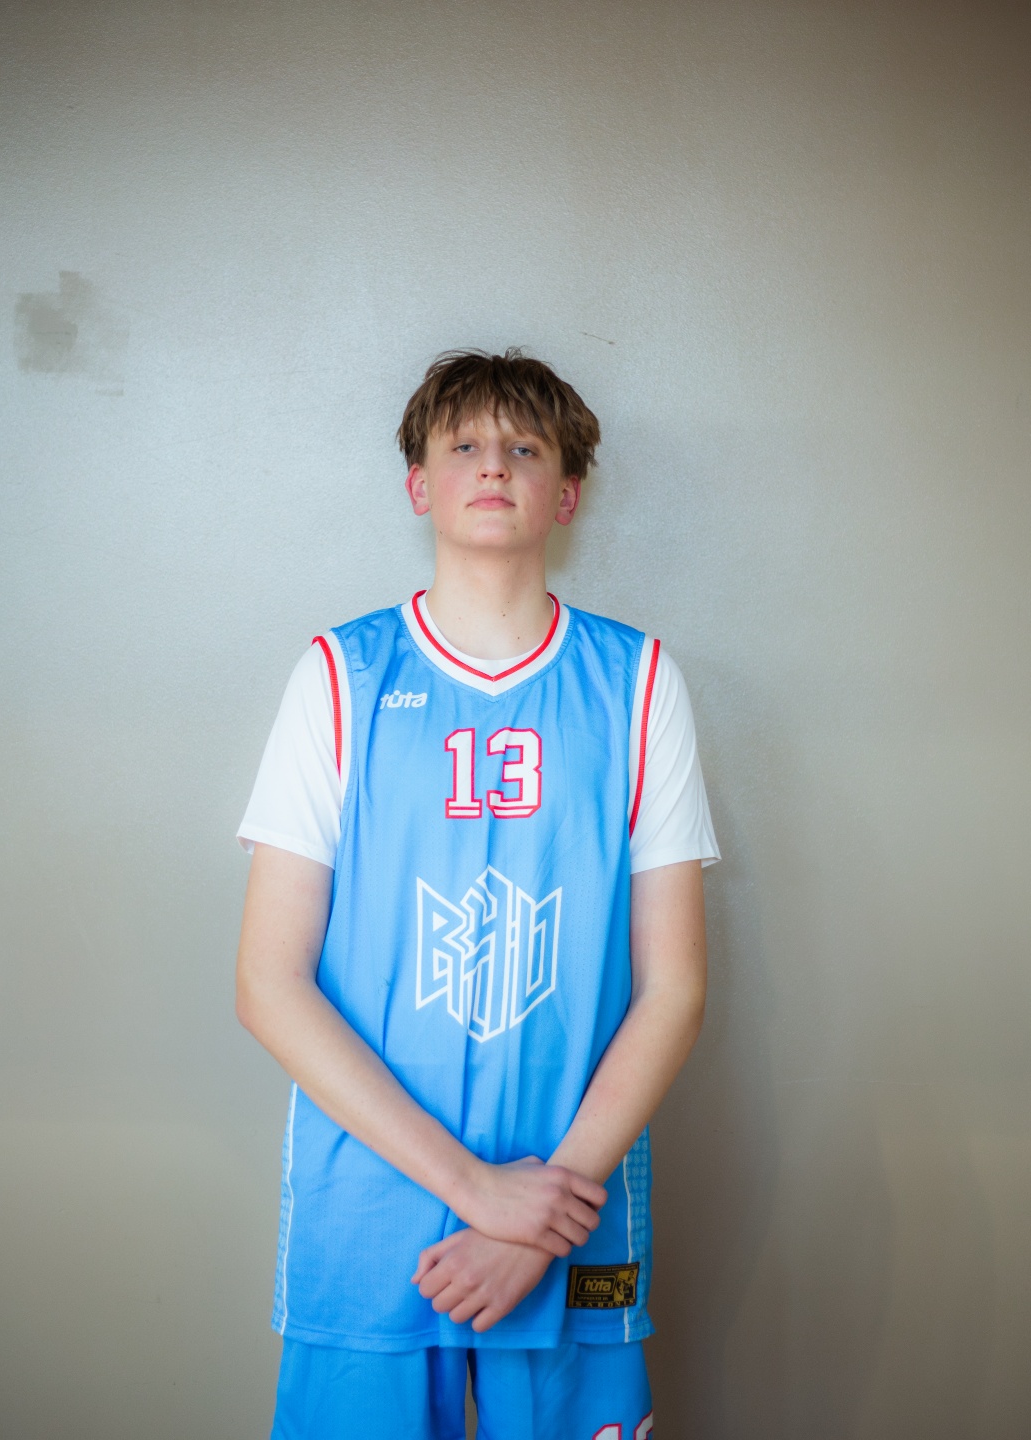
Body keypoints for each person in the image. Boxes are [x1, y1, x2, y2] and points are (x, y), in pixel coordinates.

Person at [235, 349, 720, 1439]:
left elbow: (674, 991)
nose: (493, 465)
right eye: (464, 445)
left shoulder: (639, 682)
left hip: (571, 1208)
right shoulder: (340, 675)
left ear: (567, 493)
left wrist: (531, 1218)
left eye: (524, 448)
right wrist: (476, 1190)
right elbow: (268, 983)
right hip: (370, 1216)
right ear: (420, 485)